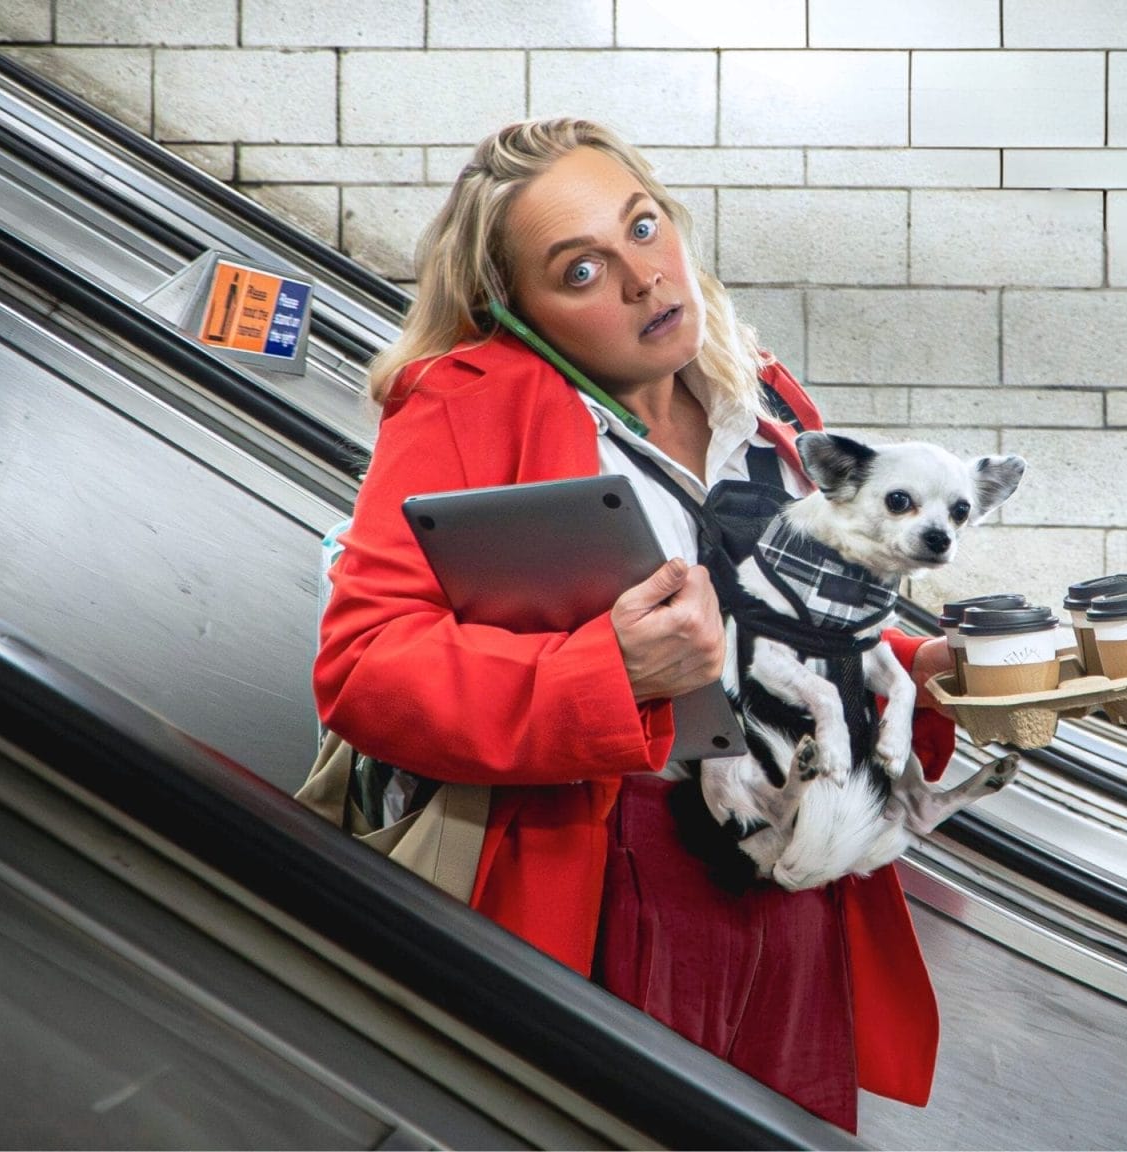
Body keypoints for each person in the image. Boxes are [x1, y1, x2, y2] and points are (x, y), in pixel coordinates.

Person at [313, 117, 958, 1131]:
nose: (643, 279)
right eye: (580, 270)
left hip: (791, 887)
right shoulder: (467, 405)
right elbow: (363, 667)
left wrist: (932, 670)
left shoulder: (761, 396)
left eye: (644, 228)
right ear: (511, 309)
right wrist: (605, 673)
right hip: (610, 872)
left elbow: (790, 618)